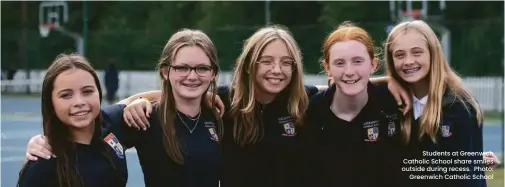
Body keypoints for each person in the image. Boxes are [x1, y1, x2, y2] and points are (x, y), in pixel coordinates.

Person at [384, 20, 488, 187]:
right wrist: (387, 80)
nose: (408, 61)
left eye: (417, 52)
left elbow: (465, 178)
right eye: (399, 55)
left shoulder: (459, 105)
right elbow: (334, 85)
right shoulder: (390, 100)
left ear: (433, 53)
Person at [302, 21, 404, 187]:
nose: (349, 72)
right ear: (327, 68)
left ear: (373, 65)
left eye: (357, 61)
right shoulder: (310, 112)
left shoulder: (395, 104)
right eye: (339, 63)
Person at [17, 54, 128, 187]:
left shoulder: (112, 124)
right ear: (51, 102)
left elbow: (156, 98)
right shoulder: (43, 166)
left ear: (98, 93)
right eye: (66, 95)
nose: (79, 102)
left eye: (87, 91)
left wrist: (141, 103)